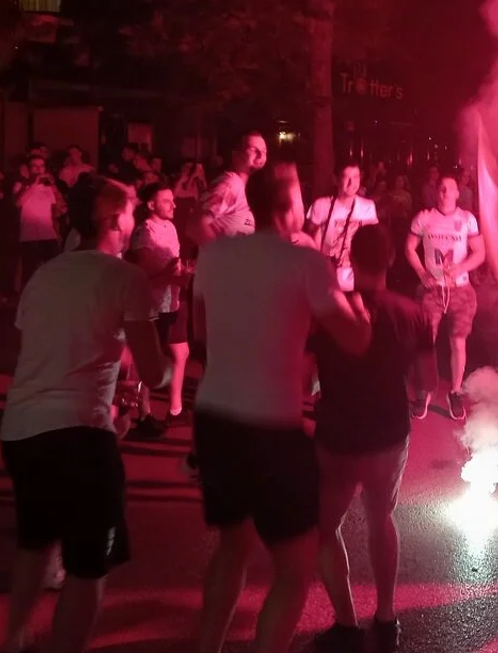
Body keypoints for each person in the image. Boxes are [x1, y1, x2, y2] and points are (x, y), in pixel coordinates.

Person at [190, 161, 372, 653]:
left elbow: (201, 331)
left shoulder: (215, 255)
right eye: (299, 197)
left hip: (214, 418)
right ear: (287, 206)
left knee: (233, 547)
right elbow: (353, 340)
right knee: (295, 566)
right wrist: (359, 311)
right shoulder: (304, 262)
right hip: (270, 426)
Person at [0, 176, 173, 653]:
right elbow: (154, 372)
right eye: (131, 211)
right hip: (79, 432)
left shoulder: (45, 274)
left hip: (22, 429)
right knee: (89, 564)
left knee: (35, 542)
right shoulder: (125, 277)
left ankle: (14, 638)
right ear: (113, 219)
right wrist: (163, 368)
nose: (134, 219)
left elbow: (36, 345)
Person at [311, 225, 433, 653]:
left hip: (339, 432)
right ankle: (386, 616)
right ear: (391, 260)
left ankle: (347, 622)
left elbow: (307, 377)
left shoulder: (331, 311)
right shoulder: (412, 313)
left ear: (352, 258)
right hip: (388, 432)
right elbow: (427, 380)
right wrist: (416, 396)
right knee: (381, 518)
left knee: (325, 527)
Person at [405, 174, 485, 421]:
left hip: (460, 290)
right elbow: (409, 248)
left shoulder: (467, 219)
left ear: (457, 193)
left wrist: (461, 268)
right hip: (432, 291)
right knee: (425, 343)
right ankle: (425, 390)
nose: (445, 193)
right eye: (441, 189)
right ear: (436, 192)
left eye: (449, 189)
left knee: (458, 342)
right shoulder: (424, 217)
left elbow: (480, 252)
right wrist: (421, 273)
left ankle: (455, 392)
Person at [126, 183, 191, 436]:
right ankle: (144, 414)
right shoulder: (145, 232)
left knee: (181, 352)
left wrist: (182, 274)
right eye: (167, 201)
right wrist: (172, 275)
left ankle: (175, 410)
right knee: (148, 360)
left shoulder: (170, 228)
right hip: (153, 305)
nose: (173, 204)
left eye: (173, 200)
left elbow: (173, 267)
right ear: (151, 205)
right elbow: (143, 273)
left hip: (172, 301)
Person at [305, 162, 380, 292]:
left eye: (356, 177)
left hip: (357, 281)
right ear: (336, 179)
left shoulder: (368, 207)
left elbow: (371, 245)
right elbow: (310, 243)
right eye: (347, 177)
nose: (352, 183)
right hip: (327, 279)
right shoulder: (321, 205)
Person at [191, 132, 268, 245]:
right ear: (236, 154)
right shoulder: (229, 185)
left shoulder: (242, 186)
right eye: (253, 150)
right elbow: (195, 225)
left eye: (264, 151)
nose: (260, 155)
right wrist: (222, 253)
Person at [14, 154, 64, 289]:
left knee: (52, 271)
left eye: (41, 166)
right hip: (29, 236)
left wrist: (56, 231)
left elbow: (54, 211)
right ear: (29, 168)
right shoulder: (21, 185)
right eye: (35, 166)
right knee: (29, 274)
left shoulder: (49, 189)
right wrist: (34, 184)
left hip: (48, 235)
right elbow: (18, 203)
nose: (38, 169)